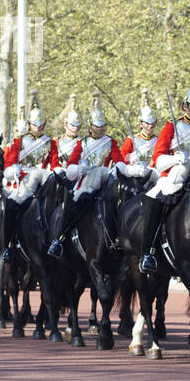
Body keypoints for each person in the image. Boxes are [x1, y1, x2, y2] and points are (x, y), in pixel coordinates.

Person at [136, 70, 190, 274]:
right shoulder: (170, 127)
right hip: (174, 173)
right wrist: (175, 158)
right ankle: (148, 251)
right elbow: (158, 158)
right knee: (158, 196)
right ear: (185, 106)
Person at [48, 96, 126, 259]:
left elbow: (119, 160)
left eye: (103, 126)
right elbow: (71, 167)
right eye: (98, 126)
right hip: (85, 182)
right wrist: (79, 168)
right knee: (74, 202)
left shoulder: (111, 142)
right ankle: (60, 238)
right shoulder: (82, 143)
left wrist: (116, 169)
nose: (101, 129)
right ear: (90, 127)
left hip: (104, 181)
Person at [0, 100, 60, 262]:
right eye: (35, 124)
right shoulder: (20, 142)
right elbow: (10, 163)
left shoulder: (51, 142)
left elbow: (55, 163)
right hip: (25, 182)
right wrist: (14, 171)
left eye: (41, 124)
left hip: (46, 181)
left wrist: (53, 172)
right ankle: (8, 245)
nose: (38, 127)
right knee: (12, 206)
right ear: (29, 124)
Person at [122, 90, 161, 176]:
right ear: (141, 124)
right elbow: (123, 160)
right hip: (134, 174)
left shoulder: (158, 141)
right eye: (147, 123)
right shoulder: (131, 140)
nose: (150, 126)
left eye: (153, 123)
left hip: (153, 174)